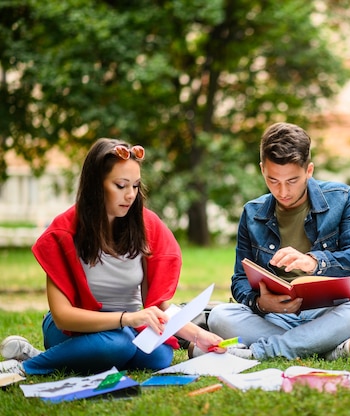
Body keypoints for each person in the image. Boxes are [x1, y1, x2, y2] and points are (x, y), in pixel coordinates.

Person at [0, 138, 224, 376]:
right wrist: (126, 319)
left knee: (159, 356)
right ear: (96, 185)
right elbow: (63, 317)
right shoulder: (65, 232)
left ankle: (51, 357)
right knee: (118, 344)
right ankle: (27, 366)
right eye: (121, 185)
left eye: (136, 186)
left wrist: (199, 335)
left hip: (129, 329)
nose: (130, 195)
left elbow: (158, 307)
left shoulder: (148, 227)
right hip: (73, 330)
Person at [195, 122, 350, 361]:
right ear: (263, 169)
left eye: (292, 181)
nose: (282, 191)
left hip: (329, 312)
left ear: (309, 170)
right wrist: (261, 304)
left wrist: (314, 262)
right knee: (220, 316)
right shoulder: (252, 213)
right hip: (276, 316)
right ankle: (324, 346)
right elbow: (240, 279)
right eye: (273, 180)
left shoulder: (342, 198)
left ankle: (260, 352)